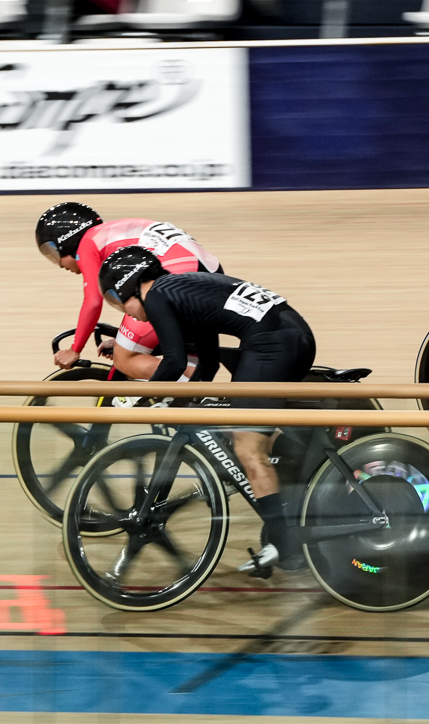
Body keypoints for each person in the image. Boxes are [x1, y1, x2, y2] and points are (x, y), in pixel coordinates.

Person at [99, 246, 315, 573]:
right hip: (285, 334)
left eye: (117, 301)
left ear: (129, 285)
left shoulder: (156, 296)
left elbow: (173, 361)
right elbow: (208, 363)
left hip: (273, 343)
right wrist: (182, 395)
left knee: (247, 446)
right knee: (244, 431)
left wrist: (150, 398)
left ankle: (287, 547)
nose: (125, 312)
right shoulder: (179, 290)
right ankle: (288, 491)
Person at [34, 202, 222, 381]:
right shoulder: (111, 234)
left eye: (53, 251)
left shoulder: (87, 243)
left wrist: (75, 349)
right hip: (209, 271)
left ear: (67, 241)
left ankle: (191, 392)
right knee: (148, 346)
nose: (58, 263)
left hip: (178, 276)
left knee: (125, 357)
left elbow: (93, 301)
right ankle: (196, 387)